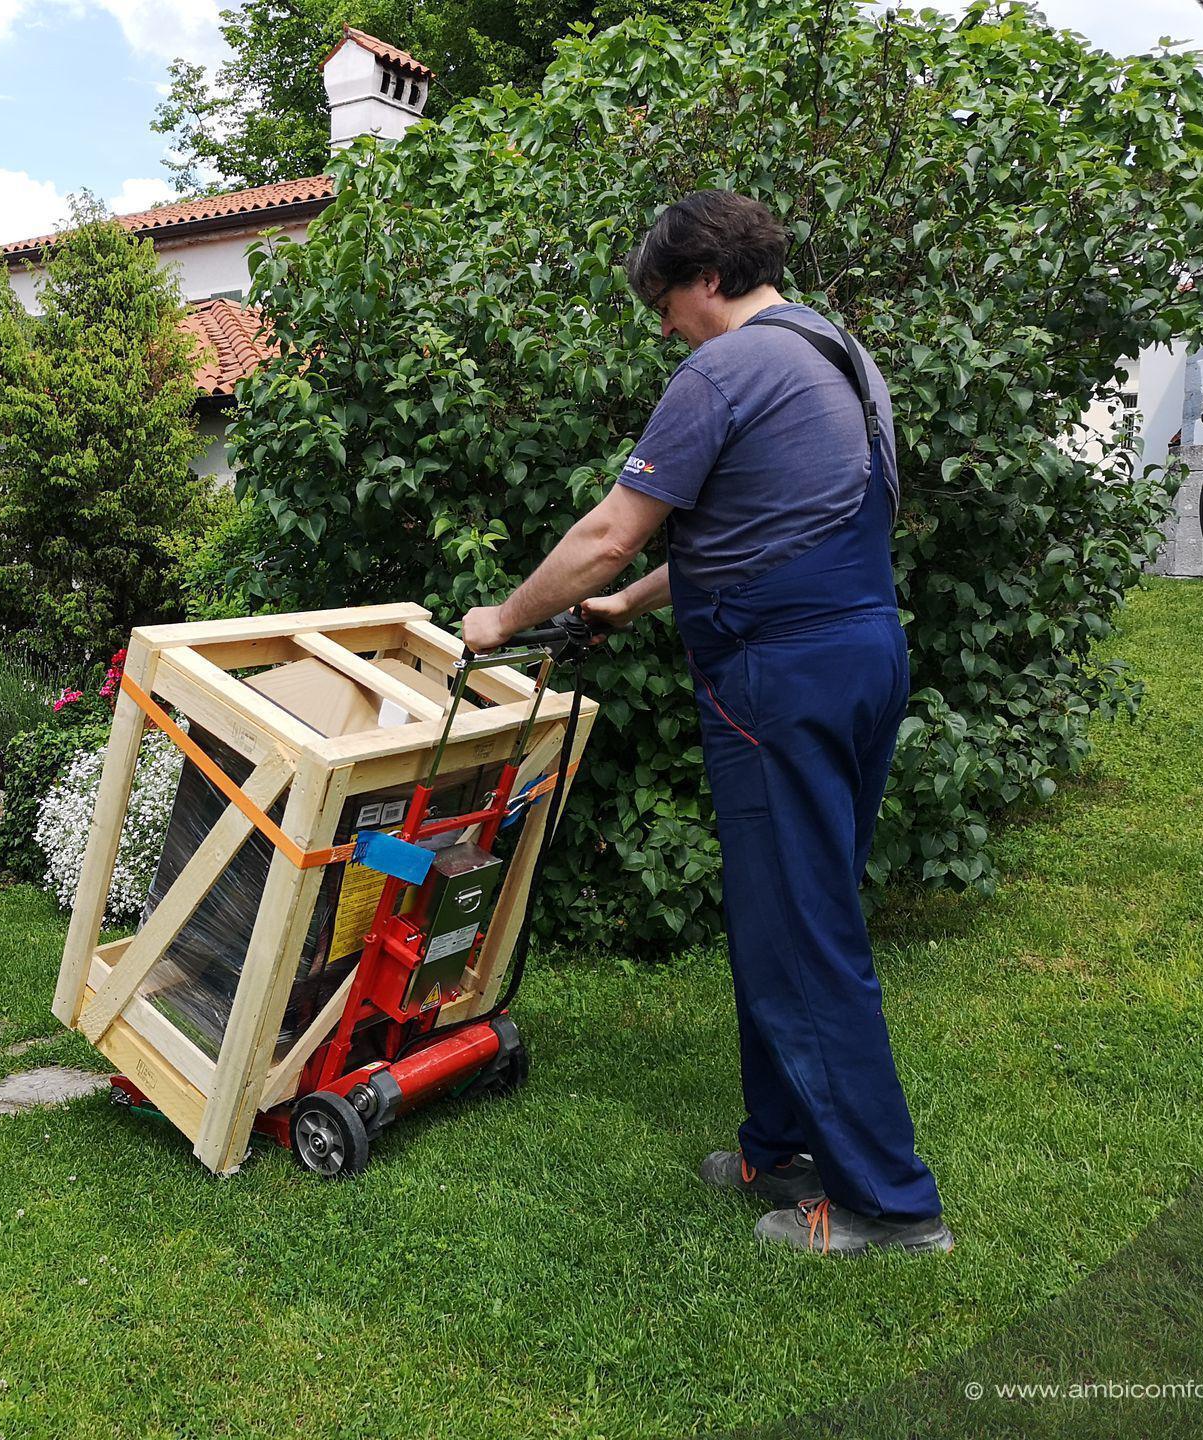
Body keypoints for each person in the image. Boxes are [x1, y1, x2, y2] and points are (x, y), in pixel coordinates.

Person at [460, 190, 950, 1256]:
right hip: (863, 656)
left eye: (666, 304)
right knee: (796, 911)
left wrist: (502, 618)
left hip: (780, 676)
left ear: (709, 279)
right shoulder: (841, 357)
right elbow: (773, 530)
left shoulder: (722, 370)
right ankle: (781, 1148)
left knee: (800, 930)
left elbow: (608, 533)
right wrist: (630, 606)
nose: (665, 328)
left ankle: (889, 1204)